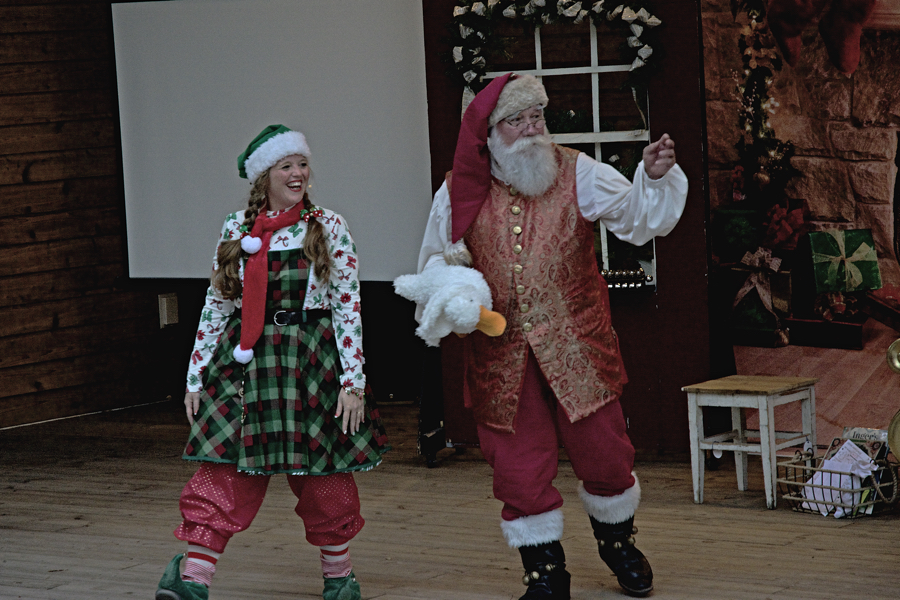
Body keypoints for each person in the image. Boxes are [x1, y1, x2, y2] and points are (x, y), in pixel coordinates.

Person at [414, 74, 688, 598]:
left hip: (579, 346)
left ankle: (618, 543)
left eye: (537, 116)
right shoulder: (457, 190)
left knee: (606, 453)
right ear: (489, 133)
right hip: (500, 354)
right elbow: (432, 266)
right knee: (517, 466)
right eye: (517, 120)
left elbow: (636, 219)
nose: (532, 129)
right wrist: (455, 296)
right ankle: (545, 572)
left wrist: (652, 179)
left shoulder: (577, 170)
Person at [156, 124, 390, 600]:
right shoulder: (236, 228)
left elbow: (347, 306)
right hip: (247, 364)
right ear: (265, 176)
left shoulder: (329, 225)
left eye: (302, 164)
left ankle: (339, 579)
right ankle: (193, 579)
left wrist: (353, 383)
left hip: (311, 360)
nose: (298, 173)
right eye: (287, 166)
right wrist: (195, 375)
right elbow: (217, 304)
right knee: (227, 469)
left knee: (322, 474)